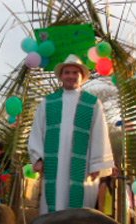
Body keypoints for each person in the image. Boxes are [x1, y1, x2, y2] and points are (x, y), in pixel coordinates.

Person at [28, 54, 114, 214]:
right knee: (52, 208)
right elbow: (37, 130)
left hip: (83, 168)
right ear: (61, 76)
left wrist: (97, 164)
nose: (71, 76)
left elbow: (100, 134)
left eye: (76, 73)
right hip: (53, 165)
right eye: (67, 72)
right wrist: (38, 158)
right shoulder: (48, 102)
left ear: (82, 77)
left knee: (78, 212)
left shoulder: (93, 103)